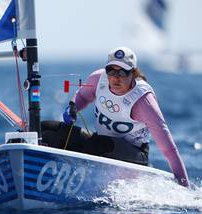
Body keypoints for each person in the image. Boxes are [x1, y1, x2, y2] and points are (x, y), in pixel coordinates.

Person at [41, 46, 189, 187]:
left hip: (135, 155)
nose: (116, 77)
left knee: (97, 144)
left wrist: (184, 188)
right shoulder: (98, 79)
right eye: (111, 71)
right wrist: (73, 107)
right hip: (101, 146)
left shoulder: (144, 102)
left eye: (122, 72)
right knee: (47, 129)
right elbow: (83, 97)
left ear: (133, 73)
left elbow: (169, 150)